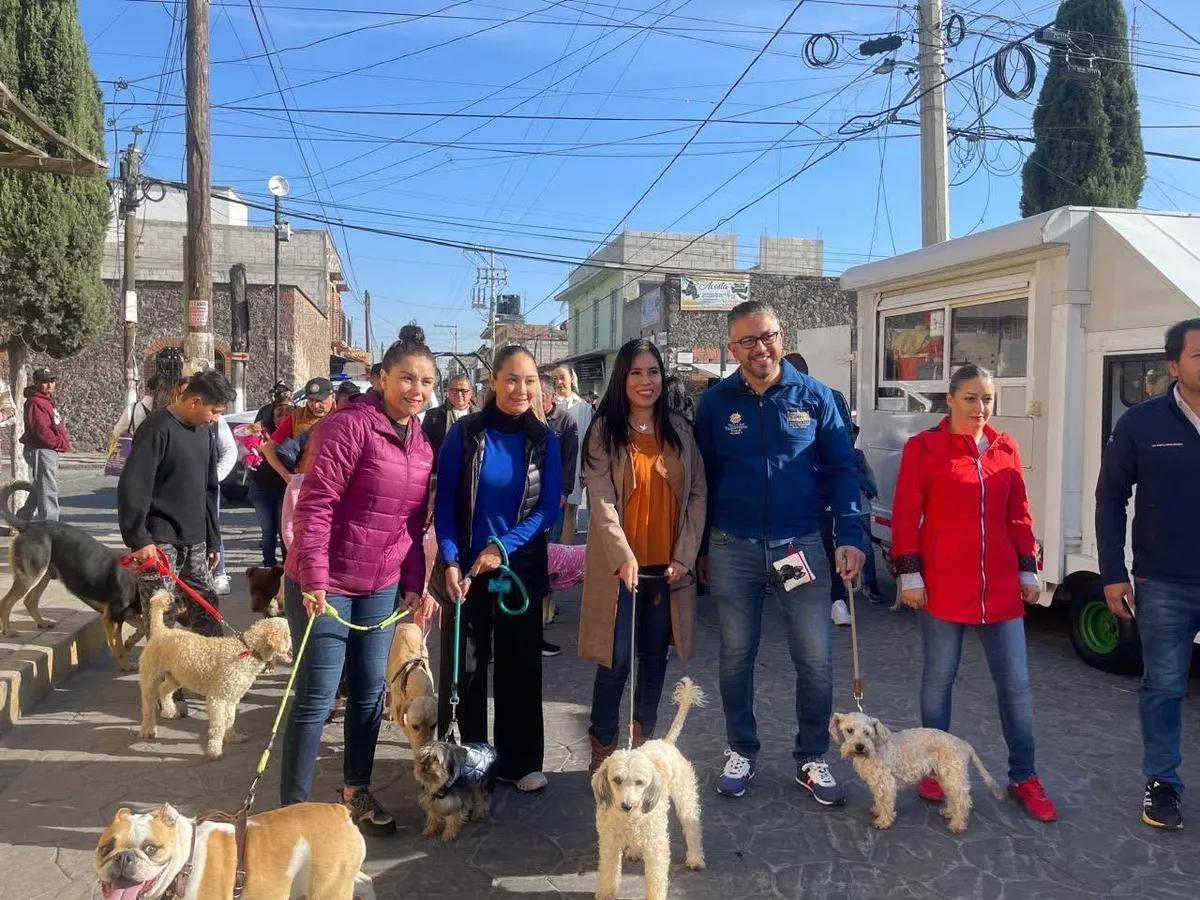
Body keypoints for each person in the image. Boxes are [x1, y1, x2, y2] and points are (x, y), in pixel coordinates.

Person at [693, 300, 865, 803]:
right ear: (732, 348)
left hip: (800, 548)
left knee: (814, 659)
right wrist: (702, 546)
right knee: (735, 656)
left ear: (781, 337)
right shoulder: (716, 403)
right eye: (747, 340)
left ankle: (812, 757)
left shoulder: (816, 397)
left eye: (767, 336)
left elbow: (842, 472)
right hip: (733, 546)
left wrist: (852, 537)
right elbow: (703, 479)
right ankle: (740, 751)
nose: (760, 348)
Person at [281, 326, 437, 835]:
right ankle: (293, 813)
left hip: (381, 586)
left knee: (370, 691)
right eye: (407, 378)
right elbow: (316, 504)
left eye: (427, 382)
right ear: (381, 377)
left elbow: (413, 523)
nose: (417, 390)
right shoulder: (348, 427)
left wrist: (415, 580)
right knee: (318, 694)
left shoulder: (421, 442)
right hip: (324, 583)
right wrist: (314, 578)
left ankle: (356, 790)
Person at [890, 363, 1057, 823]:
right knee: (939, 681)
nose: (980, 408)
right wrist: (910, 575)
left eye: (987, 399)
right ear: (950, 400)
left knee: (1017, 688)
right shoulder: (924, 448)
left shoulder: (1005, 448)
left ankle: (1024, 775)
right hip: (942, 588)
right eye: (970, 398)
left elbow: (1019, 516)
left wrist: (1028, 569)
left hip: (1000, 590)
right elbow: (906, 515)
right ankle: (931, 765)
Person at [434, 345, 561, 793]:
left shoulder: (545, 441)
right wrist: (451, 557)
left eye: (530, 381)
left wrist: (500, 549)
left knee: (520, 664)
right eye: (511, 379)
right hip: (466, 570)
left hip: (518, 569)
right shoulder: (465, 434)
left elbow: (546, 511)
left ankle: (519, 761)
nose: (521, 389)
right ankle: (468, 764)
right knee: (464, 668)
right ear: (492, 382)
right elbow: (445, 502)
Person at [579, 339, 706, 774]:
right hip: (621, 570)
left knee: (655, 659)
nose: (645, 381)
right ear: (622, 378)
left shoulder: (680, 429)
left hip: (666, 569)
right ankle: (603, 743)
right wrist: (622, 555)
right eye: (636, 373)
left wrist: (686, 555)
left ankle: (643, 742)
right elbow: (602, 501)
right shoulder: (604, 431)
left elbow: (698, 494)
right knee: (614, 661)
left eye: (653, 372)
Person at [1096, 318, 1200, 831]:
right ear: (1174, 365)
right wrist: (1113, 572)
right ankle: (1162, 782)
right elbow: (1111, 497)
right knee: (1163, 685)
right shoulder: (1141, 424)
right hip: (1165, 581)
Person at [117, 370, 237, 637]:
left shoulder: (205, 431)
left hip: (195, 540)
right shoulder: (157, 428)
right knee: (163, 614)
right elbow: (133, 485)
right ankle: (162, 675)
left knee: (206, 605)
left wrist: (213, 538)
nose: (216, 418)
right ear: (194, 402)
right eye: (214, 411)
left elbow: (209, 488)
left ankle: (208, 671)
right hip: (159, 541)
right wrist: (139, 539)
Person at [783, 352, 857, 626]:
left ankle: (829, 601)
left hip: (815, 486)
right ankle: (822, 602)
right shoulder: (832, 395)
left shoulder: (826, 396)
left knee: (809, 545)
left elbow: (844, 442)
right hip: (814, 486)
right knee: (815, 544)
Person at [540, 372, 579, 656]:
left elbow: (569, 460)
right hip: (527, 502)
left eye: (541, 395)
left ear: (552, 396)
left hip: (553, 499)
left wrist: (564, 491)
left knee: (549, 556)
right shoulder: (528, 421)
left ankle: (547, 606)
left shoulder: (565, 422)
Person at [18, 367, 70, 522]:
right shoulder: (35, 402)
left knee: (40, 485)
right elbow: (41, 430)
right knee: (48, 488)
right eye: (45, 382)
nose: (49, 385)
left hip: (47, 449)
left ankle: (23, 517)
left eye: (52, 381)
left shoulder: (46, 400)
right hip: (41, 449)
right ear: (35, 383)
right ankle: (49, 522)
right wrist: (59, 442)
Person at [249, 398, 294, 567]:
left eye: (288, 413)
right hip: (261, 486)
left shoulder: (297, 431)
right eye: (279, 414)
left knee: (285, 530)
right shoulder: (261, 433)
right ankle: (269, 565)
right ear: (272, 416)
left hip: (285, 487)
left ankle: (287, 568)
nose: (282, 418)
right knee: (268, 531)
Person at [552, 365, 593, 542]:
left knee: (569, 511)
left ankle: (565, 559)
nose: (559, 382)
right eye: (555, 379)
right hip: (551, 466)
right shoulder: (549, 405)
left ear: (571, 379)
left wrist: (584, 471)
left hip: (574, 466)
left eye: (562, 377)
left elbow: (587, 441)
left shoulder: (583, 407)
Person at [210, 414, 238, 596]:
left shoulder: (215, 420)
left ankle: (220, 573)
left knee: (212, 526)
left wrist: (213, 478)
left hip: (206, 487)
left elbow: (229, 450)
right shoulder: (153, 414)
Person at [422, 372, 476, 465]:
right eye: (454, 390)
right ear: (448, 392)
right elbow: (424, 447)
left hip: (471, 469)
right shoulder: (433, 416)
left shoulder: (480, 416)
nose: (459, 394)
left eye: (463, 390)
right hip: (443, 467)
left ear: (470, 393)